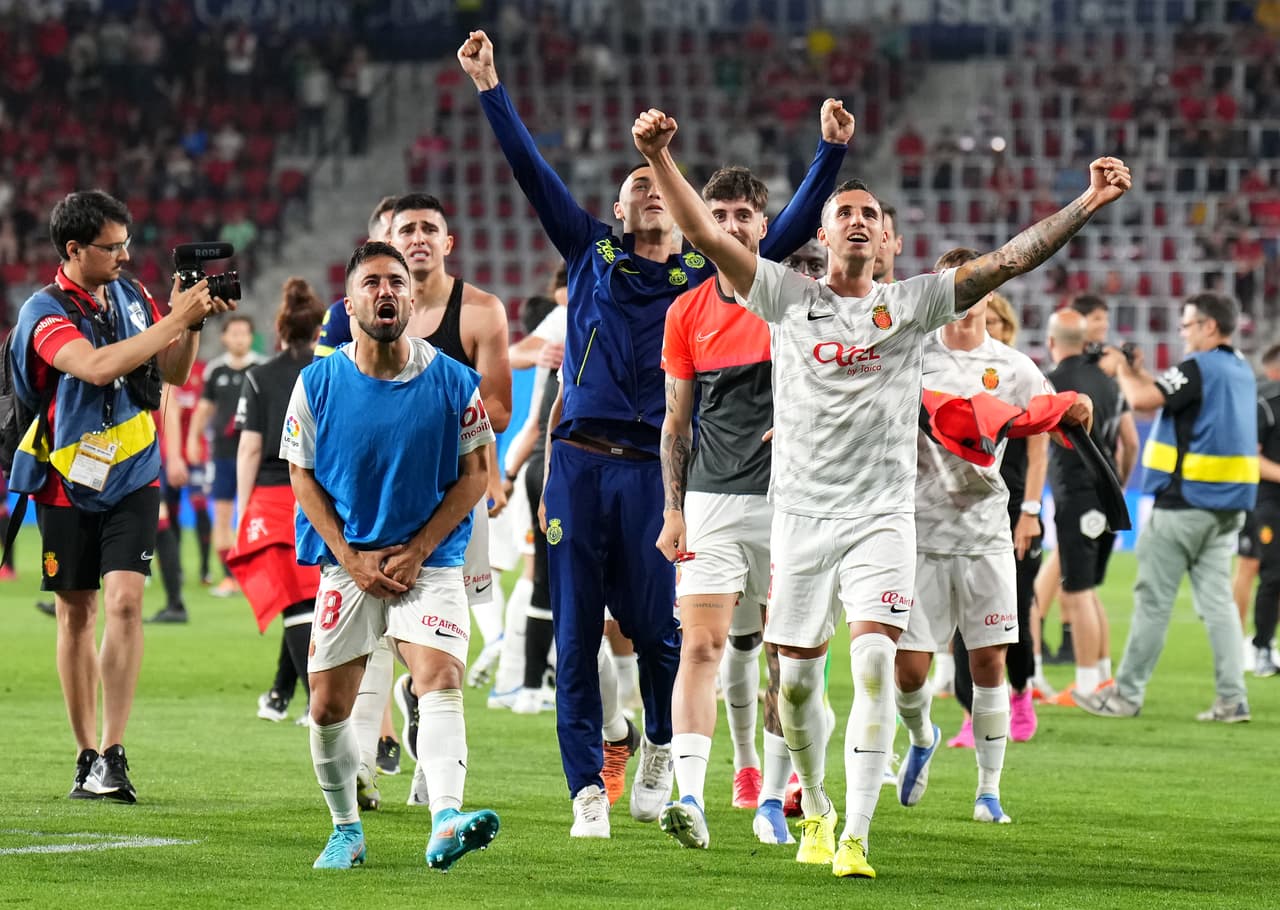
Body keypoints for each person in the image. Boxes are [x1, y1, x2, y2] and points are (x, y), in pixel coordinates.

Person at [633, 105, 1130, 877]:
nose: (859, 221)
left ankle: (856, 837)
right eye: (846, 213)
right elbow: (703, 235)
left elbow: (1009, 260)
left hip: (882, 519)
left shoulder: (913, 304)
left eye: (871, 215)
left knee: (871, 664)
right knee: (797, 689)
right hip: (799, 517)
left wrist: (1089, 201)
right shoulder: (785, 296)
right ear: (822, 234)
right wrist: (661, 159)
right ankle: (816, 806)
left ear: (890, 241)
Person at [459, 28, 848, 839]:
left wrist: (830, 154)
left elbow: (782, 232)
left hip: (663, 474)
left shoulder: (708, 270)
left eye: (657, 183)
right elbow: (531, 171)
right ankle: (585, 792)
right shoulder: (588, 250)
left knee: (660, 632)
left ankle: (664, 748)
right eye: (634, 185)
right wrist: (490, 87)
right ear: (618, 209)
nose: (647, 192)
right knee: (574, 634)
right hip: (578, 463)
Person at [283, 241, 500, 871]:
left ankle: (445, 819)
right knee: (327, 708)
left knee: (440, 679)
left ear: (411, 298)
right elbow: (302, 476)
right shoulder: (317, 383)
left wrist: (421, 547)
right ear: (349, 303)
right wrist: (350, 558)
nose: (386, 292)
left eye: (397, 283)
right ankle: (346, 830)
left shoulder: (454, 381)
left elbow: (475, 475)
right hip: (348, 565)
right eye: (372, 282)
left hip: (429, 565)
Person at [9, 190, 224, 801]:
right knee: (77, 613)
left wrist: (191, 321)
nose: (126, 256)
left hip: (135, 473)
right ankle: (83, 754)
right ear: (74, 249)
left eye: (127, 243)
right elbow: (96, 367)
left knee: (126, 603)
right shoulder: (42, 312)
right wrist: (175, 319)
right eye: (113, 247)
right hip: (65, 479)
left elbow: (174, 371)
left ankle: (113, 752)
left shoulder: (132, 296)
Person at [654, 166, 812, 850]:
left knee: (787, 658)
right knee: (701, 646)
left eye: (743, 214)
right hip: (711, 502)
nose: (730, 225)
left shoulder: (796, 301)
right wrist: (674, 510)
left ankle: (772, 798)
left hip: (790, 504)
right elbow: (676, 422)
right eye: (717, 213)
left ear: (764, 226)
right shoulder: (685, 312)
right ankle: (690, 796)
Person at [892, 249, 1051, 826]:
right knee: (909, 673)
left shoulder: (1013, 367)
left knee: (988, 664)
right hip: (918, 532)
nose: (966, 297)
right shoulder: (912, 356)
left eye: (975, 286)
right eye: (956, 286)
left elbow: (1046, 420)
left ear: (990, 293)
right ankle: (922, 735)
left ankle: (988, 791)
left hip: (985, 533)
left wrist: (1030, 507)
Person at [380, 191, 513, 808]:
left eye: (429, 228)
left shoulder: (481, 311)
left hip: (458, 500)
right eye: (406, 228)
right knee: (379, 633)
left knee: (449, 640)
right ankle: (371, 758)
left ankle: (426, 747)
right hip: (382, 497)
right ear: (388, 240)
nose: (418, 238)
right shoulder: (367, 312)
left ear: (447, 242)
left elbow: (501, 410)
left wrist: (418, 422)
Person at [1077, 293, 1258, 722]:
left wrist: (1123, 370)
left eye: (1187, 324)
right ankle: (1232, 699)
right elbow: (1172, 395)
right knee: (1219, 604)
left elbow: (1143, 401)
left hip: (1184, 503)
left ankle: (1125, 695)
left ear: (1209, 326)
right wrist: (1139, 372)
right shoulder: (1240, 368)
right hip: (1227, 505)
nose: (1182, 332)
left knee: (1153, 601)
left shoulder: (1198, 366)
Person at [948, 292, 1047, 747]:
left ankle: (1022, 691)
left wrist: (1030, 512)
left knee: (1015, 614)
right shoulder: (951, 372)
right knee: (962, 624)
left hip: (1012, 508)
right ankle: (972, 714)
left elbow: (1039, 449)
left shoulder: (1018, 375)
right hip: (962, 510)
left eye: (1000, 324)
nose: (993, 331)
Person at [227, 278, 326, 723]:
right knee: (305, 597)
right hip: (323, 496)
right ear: (320, 329)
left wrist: (242, 512)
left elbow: (249, 449)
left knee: (297, 603)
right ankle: (279, 694)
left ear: (280, 330)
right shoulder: (333, 371)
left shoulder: (259, 376)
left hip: (273, 497)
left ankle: (318, 704)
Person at [1033, 294, 1138, 673]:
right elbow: (1131, 443)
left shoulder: (1049, 383)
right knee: (1087, 591)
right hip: (1107, 493)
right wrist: (1117, 484)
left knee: (1076, 592)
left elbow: (1036, 448)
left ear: (1051, 342)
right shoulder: (1111, 383)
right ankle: (1102, 675)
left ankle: (1087, 683)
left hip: (1076, 494)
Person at [186, 314, 263, 597]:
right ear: (224, 337)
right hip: (223, 454)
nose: (239, 338)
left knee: (257, 515)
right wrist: (193, 439)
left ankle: (257, 574)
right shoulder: (215, 371)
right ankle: (230, 577)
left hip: (256, 455)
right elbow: (204, 409)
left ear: (251, 337)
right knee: (222, 515)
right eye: (234, 333)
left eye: (244, 333)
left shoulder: (262, 369)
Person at [1246, 344, 1280, 677]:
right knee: (1272, 576)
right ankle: (1262, 648)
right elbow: (1252, 459)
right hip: (1270, 503)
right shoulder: (1266, 405)